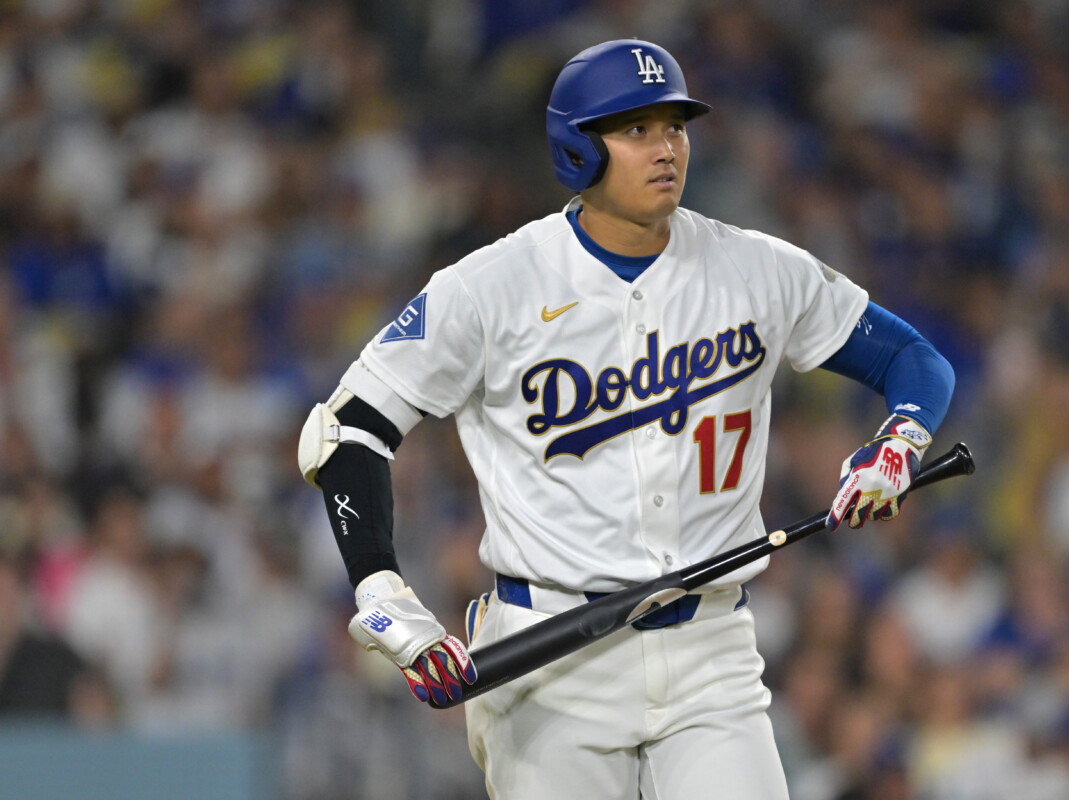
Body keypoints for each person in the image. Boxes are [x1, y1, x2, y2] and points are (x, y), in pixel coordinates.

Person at [298, 38, 954, 800]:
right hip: (550, 657)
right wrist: (379, 586)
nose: (665, 147)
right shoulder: (491, 286)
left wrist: (899, 441)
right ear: (577, 150)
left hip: (711, 648)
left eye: (673, 126)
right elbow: (350, 430)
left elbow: (913, 360)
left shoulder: (757, 269)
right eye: (635, 129)